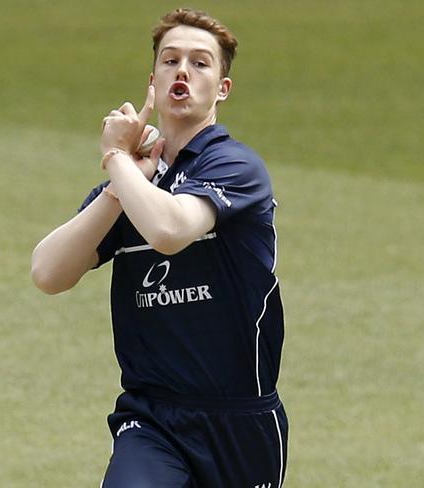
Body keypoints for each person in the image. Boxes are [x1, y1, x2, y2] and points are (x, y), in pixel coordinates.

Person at [32, 8, 288, 487]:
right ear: (153, 81)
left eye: (200, 63)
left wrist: (115, 159)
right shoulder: (131, 184)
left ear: (222, 89)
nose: (183, 71)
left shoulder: (235, 166)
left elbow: (169, 232)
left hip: (241, 422)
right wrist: (118, 182)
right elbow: (48, 272)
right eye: (171, 61)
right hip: (152, 421)